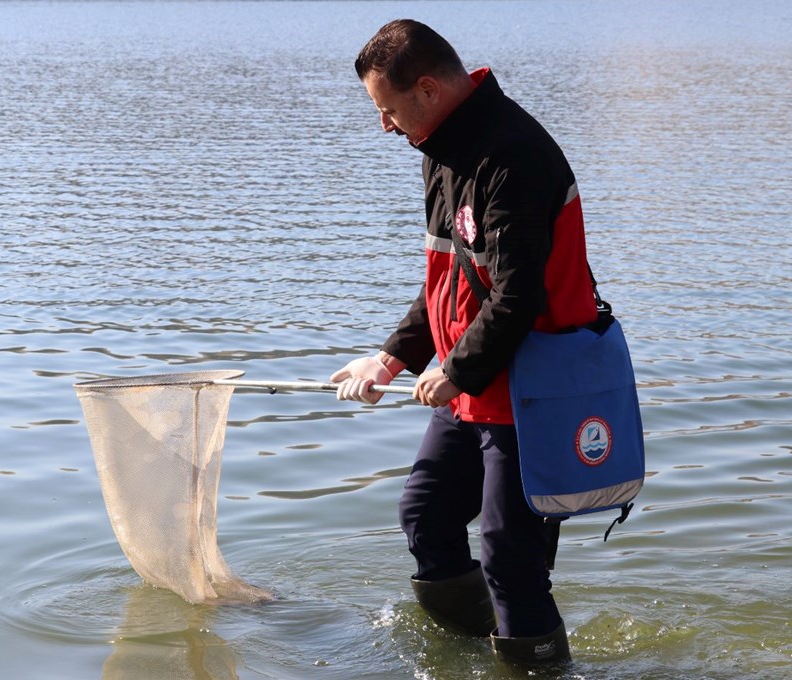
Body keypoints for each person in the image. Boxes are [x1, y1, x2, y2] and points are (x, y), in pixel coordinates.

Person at [331, 19, 599, 665]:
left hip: (532, 386)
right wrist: (393, 357)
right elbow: (449, 281)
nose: (385, 126)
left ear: (426, 89)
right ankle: (482, 653)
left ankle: (536, 663)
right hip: (471, 388)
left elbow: (517, 297)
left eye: (388, 110)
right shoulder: (442, 148)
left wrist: (456, 370)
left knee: (510, 553)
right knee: (425, 516)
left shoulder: (513, 155)